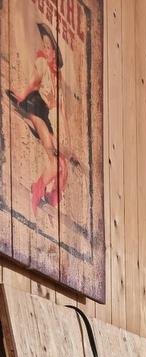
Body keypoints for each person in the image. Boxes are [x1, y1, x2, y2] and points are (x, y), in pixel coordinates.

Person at [6, 22, 66, 215]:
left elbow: (58, 106)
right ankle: (37, 188)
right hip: (36, 108)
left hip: (45, 115)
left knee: (62, 164)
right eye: (45, 46)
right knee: (56, 162)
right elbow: (33, 84)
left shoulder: (57, 77)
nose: (47, 50)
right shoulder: (42, 64)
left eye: (50, 48)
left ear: (56, 52)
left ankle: (51, 197)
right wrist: (21, 98)